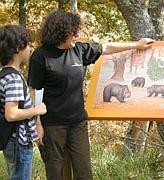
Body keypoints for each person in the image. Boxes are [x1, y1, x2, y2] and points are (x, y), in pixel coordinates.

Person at [27, 10, 154, 180]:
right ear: (61, 32)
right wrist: (37, 123)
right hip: (52, 125)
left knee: (84, 171)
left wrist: (136, 45)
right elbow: (33, 90)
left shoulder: (79, 50)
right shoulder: (40, 56)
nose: (77, 35)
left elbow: (106, 47)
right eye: (73, 32)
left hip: (78, 122)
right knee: (56, 172)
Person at [0, 25, 47, 180]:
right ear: (18, 48)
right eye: (28, 45)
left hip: (14, 142)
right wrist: (37, 110)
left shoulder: (5, 74)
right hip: (18, 142)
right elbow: (11, 114)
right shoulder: (13, 78)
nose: (29, 50)